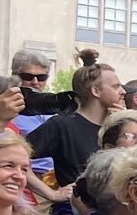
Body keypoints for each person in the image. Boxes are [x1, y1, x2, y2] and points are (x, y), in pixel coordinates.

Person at [29, 52, 124, 200]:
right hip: (78, 214)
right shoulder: (62, 125)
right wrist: (52, 194)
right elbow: (14, 157)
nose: (122, 91)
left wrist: (125, 123)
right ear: (96, 91)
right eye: (116, 86)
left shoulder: (119, 127)